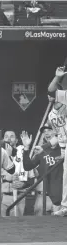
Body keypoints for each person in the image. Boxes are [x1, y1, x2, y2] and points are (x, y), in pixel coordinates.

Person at [21, 129, 63, 215]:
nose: (47, 133)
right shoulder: (41, 152)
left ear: (56, 131)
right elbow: (28, 167)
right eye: (44, 132)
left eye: (49, 130)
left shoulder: (63, 149)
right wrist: (26, 148)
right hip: (46, 197)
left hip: (63, 198)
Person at [46, 64, 67, 216]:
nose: (49, 96)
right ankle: (65, 207)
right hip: (64, 145)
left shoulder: (65, 100)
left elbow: (52, 89)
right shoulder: (51, 114)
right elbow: (59, 133)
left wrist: (58, 78)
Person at [1, 130, 35, 216]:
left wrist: (24, 184)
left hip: (19, 197)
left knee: (17, 226)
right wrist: (5, 178)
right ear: (3, 139)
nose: (8, 138)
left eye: (12, 136)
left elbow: (32, 179)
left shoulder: (24, 155)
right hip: (2, 198)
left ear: (16, 140)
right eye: (6, 136)